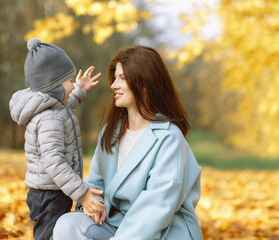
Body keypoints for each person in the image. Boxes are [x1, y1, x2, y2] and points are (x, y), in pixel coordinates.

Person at [52, 46, 203, 240]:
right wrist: (94, 202)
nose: (114, 85)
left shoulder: (169, 138)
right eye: (115, 78)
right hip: (114, 226)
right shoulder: (110, 132)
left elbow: (156, 208)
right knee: (67, 225)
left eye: (122, 78)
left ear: (145, 83)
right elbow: (96, 182)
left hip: (160, 233)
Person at [9, 38, 105, 240]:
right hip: (49, 195)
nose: (72, 85)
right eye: (69, 81)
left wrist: (78, 90)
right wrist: (82, 193)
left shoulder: (52, 107)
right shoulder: (48, 118)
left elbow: (65, 110)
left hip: (55, 190)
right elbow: (54, 162)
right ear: (53, 85)